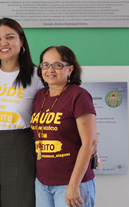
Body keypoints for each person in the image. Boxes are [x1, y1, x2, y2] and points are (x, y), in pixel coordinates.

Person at [0, 18, 43, 207]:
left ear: (21, 42)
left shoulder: (37, 76)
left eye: (9, 37)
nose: (3, 43)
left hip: (20, 147)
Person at [30, 46, 97, 207]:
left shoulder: (79, 95)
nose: (50, 69)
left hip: (72, 184)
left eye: (57, 65)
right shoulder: (40, 96)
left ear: (70, 69)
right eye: (45, 65)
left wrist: (73, 185)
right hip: (42, 183)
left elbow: (90, 143)